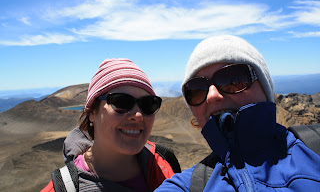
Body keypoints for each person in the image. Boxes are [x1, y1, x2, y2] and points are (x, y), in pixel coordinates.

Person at [155, 35, 320, 191]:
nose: (212, 96)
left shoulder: (314, 147)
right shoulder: (188, 186)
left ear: (265, 87)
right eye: (197, 89)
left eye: (232, 79)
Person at [41, 58, 180, 192]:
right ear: (91, 113)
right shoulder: (63, 188)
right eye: (121, 102)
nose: (138, 115)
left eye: (148, 104)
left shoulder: (165, 161)